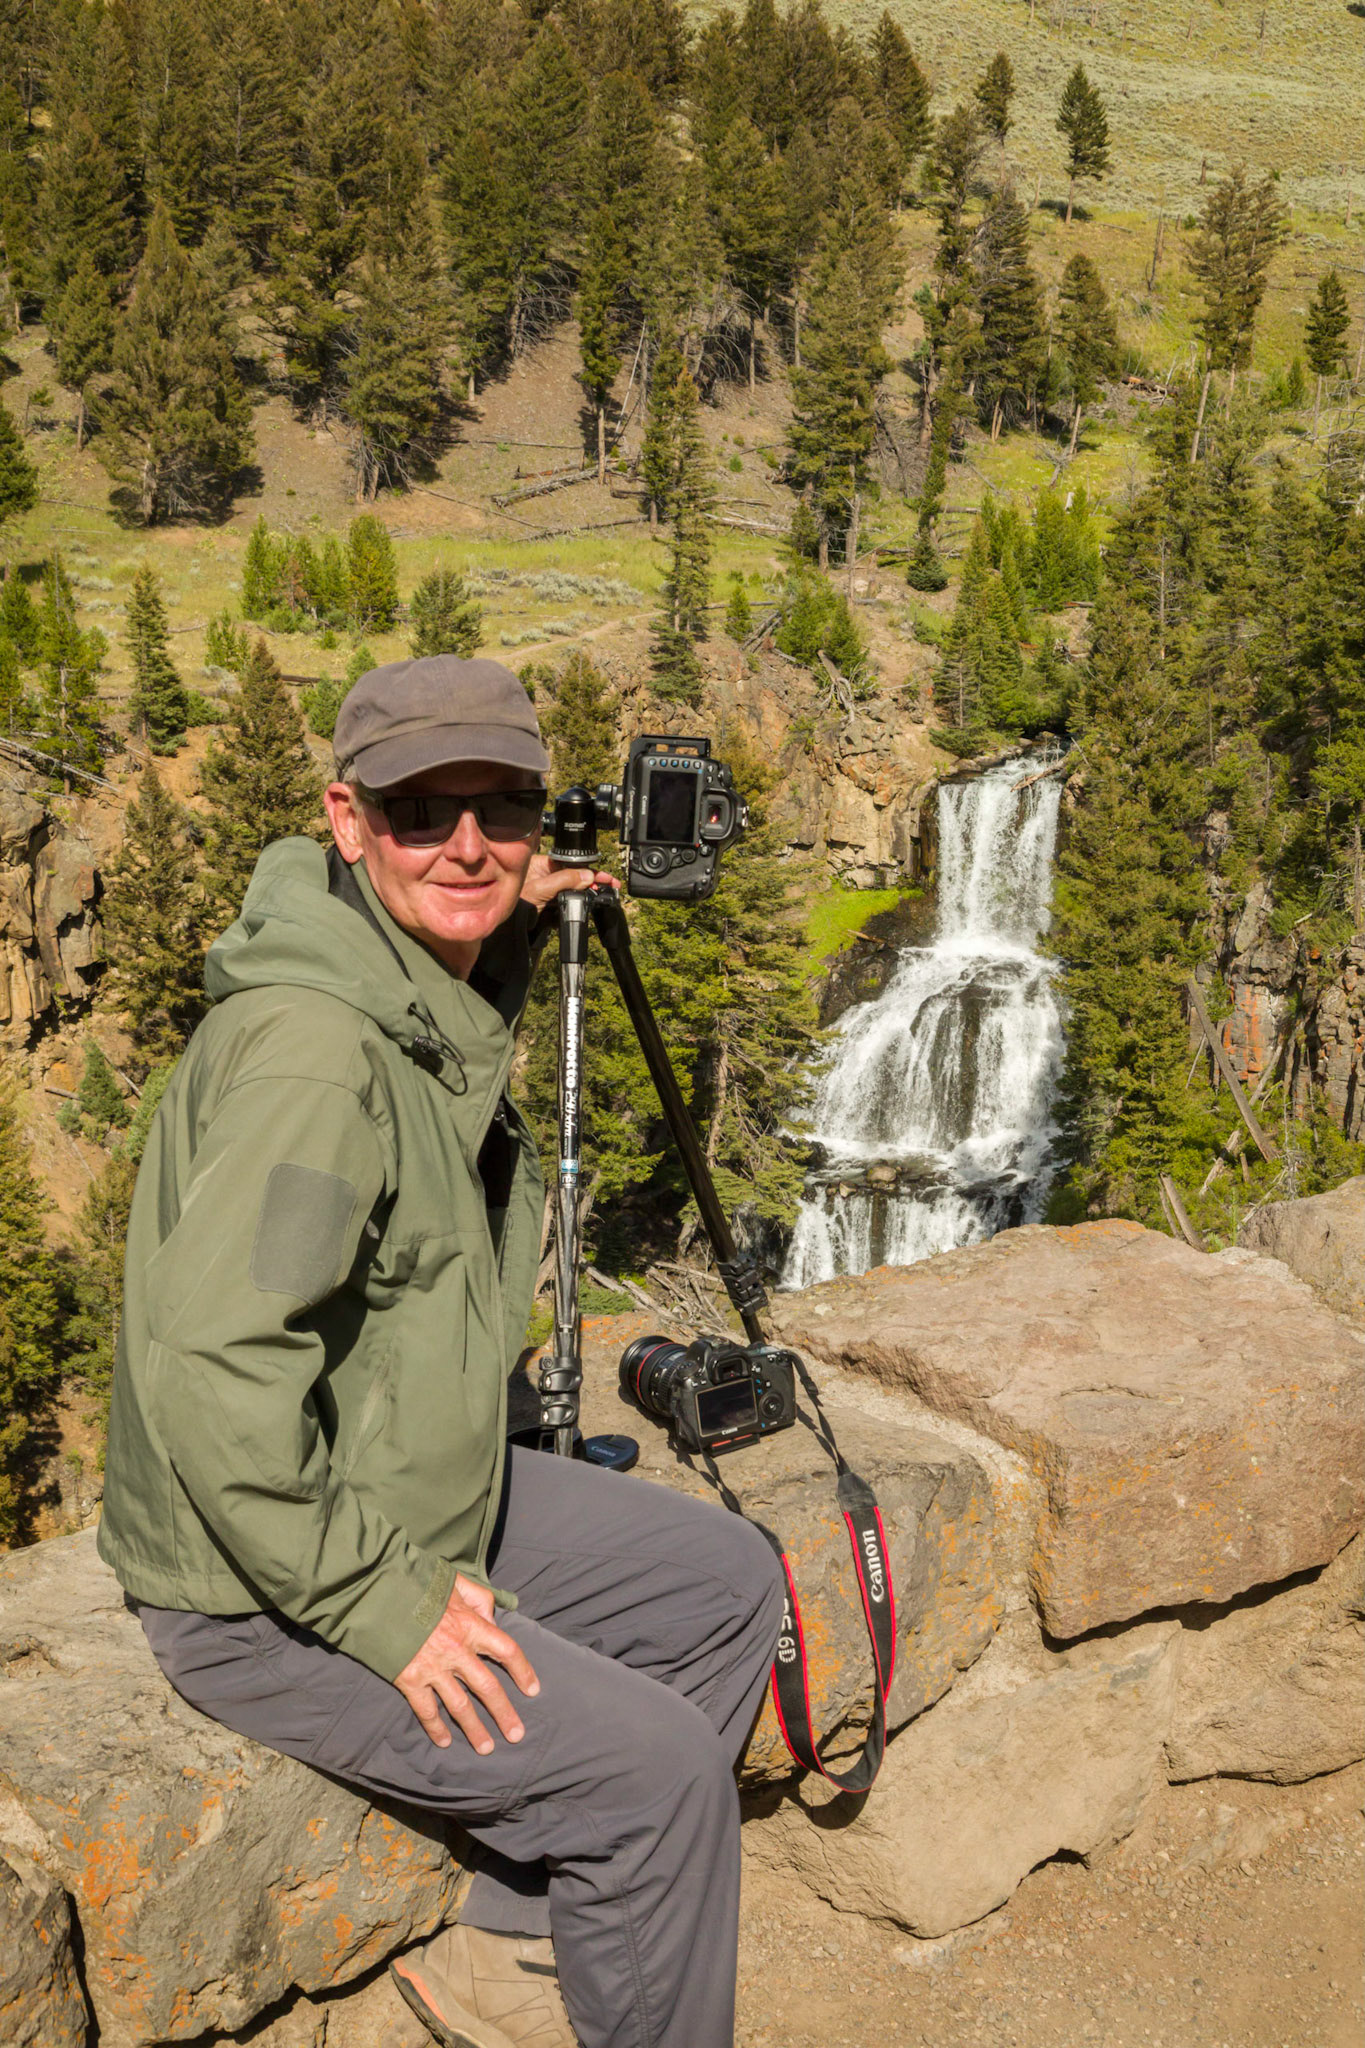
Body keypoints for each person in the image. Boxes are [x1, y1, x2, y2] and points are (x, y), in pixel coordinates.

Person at [98, 655, 786, 2048]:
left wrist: (511, 931)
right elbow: (211, 1361)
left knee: (725, 1582)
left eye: (503, 808)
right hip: (261, 1583)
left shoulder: (394, 973)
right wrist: (385, 1602)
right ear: (349, 823)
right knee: (654, 1773)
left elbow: (441, 1056)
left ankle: (516, 1957)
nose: (468, 845)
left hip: (416, 1478)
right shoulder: (314, 1054)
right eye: (424, 812)